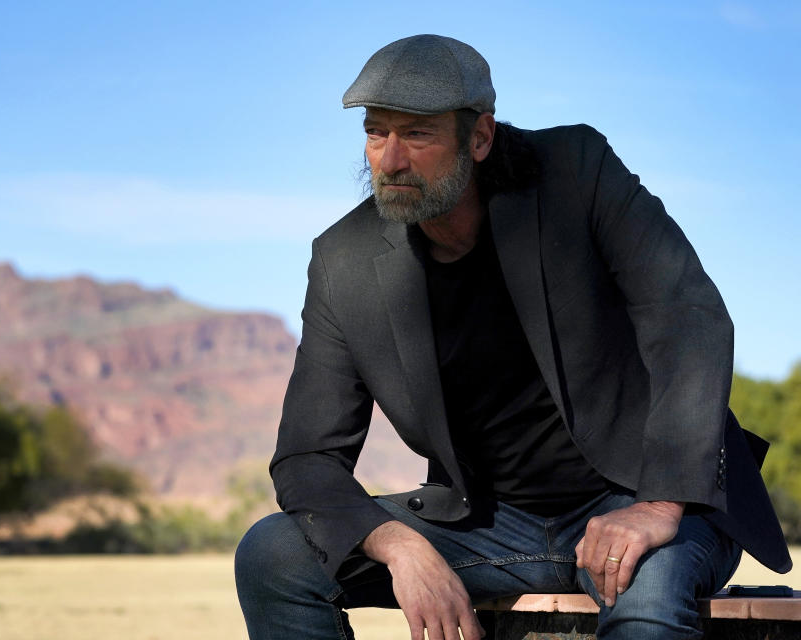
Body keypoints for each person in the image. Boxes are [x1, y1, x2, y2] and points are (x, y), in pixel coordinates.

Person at [235, 34, 791, 640]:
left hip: (639, 501)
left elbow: (688, 317)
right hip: (486, 525)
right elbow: (306, 456)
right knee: (273, 553)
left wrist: (658, 506)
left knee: (646, 601)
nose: (388, 159)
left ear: (479, 138)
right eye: (375, 132)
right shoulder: (344, 260)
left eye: (417, 134)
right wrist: (397, 545)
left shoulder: (576, 171)